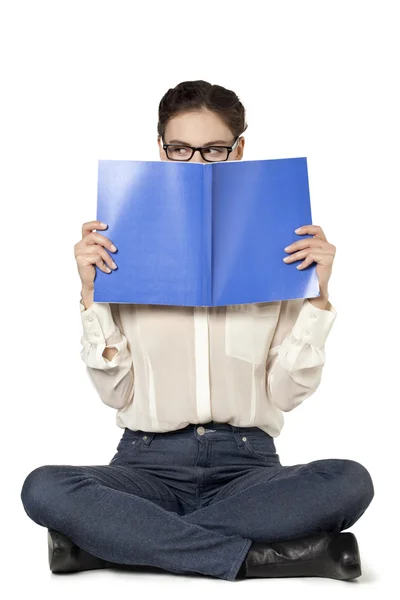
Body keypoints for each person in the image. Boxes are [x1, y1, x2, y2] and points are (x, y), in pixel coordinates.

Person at [20, 80, 374, 582]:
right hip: (145, 466)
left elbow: (285, 393)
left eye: (213, 150)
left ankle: (114, 545)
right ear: (160, 149)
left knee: (348, 480)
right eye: (180, 150)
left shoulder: (279, 243)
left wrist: (316, 298)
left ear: (240, 150)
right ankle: (266, 556)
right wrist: (90, 295)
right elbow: (116, 392)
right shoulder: (122, 240)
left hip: (248, 468)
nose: (197, 164)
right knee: (44, 487)